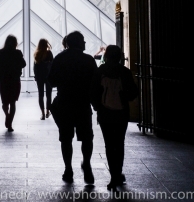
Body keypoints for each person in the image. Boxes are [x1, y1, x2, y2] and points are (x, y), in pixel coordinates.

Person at [48, 31, 97, 184]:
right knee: (87, 138)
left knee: (66, 138)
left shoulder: (59, 58)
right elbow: (95, 83)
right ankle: (86, 164)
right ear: (78, 43)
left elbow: (52, 81)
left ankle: (68, 169)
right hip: (82, 104)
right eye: (83, 40)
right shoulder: (88, 60)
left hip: (64, 103)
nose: (85, 43)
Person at [90, 44, 138, 191]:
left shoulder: (100, 71)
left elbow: (93, 92)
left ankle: (113, 176)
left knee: (109, 145)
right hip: (121, 113)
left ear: (106, 56)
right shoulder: (125, 72)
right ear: (119, 57)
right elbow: (133, 93)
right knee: (119, 143)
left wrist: (98, 107)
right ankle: (117, 174)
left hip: (105, 114)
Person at [0, 35, 26, 132]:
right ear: (15, 43)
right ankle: (10, 122)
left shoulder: (0, 52)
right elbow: (24, 64)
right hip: (15, 80)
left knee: (5, 102)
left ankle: (7, 115)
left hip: (4, 80)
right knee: (13, 102)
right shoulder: (17, 53)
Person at [33, 39, 53, 119]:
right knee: (49, 95)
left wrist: (36, 76)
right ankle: (48, 111)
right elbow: (52, 64)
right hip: (48, 77)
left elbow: (35, 68)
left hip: (39, 77)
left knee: (40, 95)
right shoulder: (49, 53)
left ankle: (42, 113)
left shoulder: (37, 54)